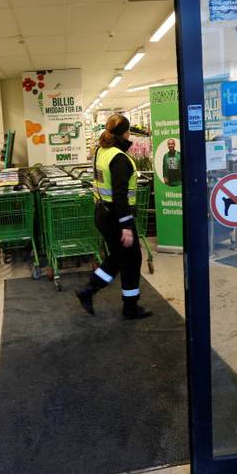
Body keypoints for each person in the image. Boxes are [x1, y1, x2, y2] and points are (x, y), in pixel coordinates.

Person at [76, 114, 152, 320]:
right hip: (116, 217)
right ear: (124, 134)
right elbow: (120, 196)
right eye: (128, 132)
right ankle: (99, 294)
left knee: (122, 258)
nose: (130, 135)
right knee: (130, 258)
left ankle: (110, 298)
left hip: (103, 213)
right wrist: (126, 227)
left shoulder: (102, 151)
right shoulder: (119, 159)